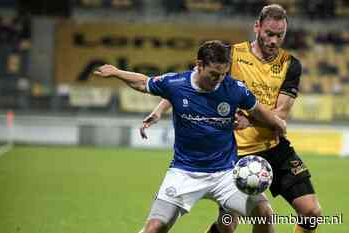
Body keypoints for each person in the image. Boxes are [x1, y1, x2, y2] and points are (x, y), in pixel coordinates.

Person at [140, 4, 321, 233]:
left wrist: (250, 120)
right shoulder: (231, 55)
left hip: (273, 147)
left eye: (280, 35)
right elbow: (189, 85)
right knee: (229, 225)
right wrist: (159, 111)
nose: (274, 41)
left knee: (312, 213)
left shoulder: (290, 65)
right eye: (269, 34)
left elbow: (281, 113)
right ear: (257, 27)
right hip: (237, 152)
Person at [94, 40, 286, 233]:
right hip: (184, 172)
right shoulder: (176, 84)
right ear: (199, 65)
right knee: (154, 228)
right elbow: (144, 82)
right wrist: (117, 72)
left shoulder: (234, 88)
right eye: (213, 74)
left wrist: (278, 124)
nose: (218, 79)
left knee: (264, 214)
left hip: (226, 174)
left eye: (223, 74)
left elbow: (258, 111)